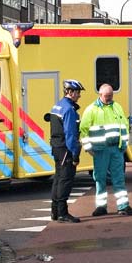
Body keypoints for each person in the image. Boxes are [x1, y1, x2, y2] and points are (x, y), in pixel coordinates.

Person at [80, 84, 132, 217]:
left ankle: (123, 206)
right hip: (100, 150)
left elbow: (124, 127)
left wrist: (123, 145)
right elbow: (83, 130)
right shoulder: (92, 110)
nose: (109, 98)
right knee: (100, 179)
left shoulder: (117, 107)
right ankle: (101, 207)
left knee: (119, 178)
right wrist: (88, 148)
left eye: (111, 96)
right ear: (100, 95)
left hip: (115, 149)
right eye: (107, 96)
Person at [50, 79, 85, 223]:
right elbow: (71, 135)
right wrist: (76, 154)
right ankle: (63, 213)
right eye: (77, 92)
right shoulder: (69, 110)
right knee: (65, 181)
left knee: (58, 179)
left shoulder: (57, 106)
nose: (79, 96)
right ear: (70, 92)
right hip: (66, 149)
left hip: (57, 148)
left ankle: (55, 211)